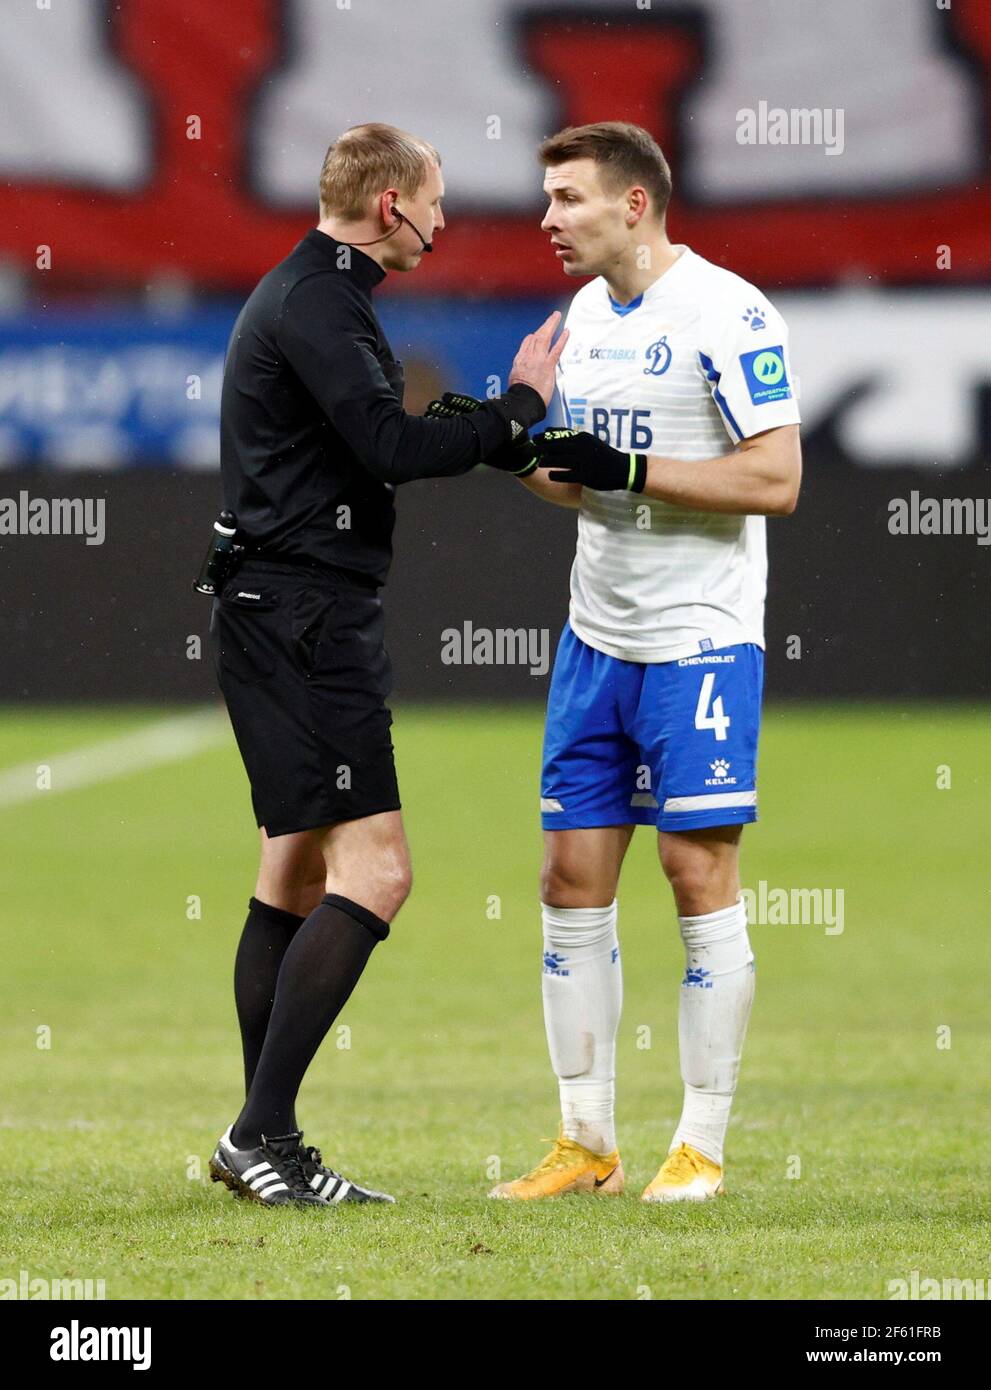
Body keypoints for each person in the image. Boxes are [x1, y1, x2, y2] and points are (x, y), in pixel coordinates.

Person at [206, 122, 566, 1207]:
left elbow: (373, 440)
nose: (445, 221)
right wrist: (515, 411)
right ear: (389, 203)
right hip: (307, 621)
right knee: (379, 874)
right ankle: (260, 1131)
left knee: (294, 874)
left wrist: (487, 428)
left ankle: (260, 1138)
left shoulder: (314, 292)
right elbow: (390, 449)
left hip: (279, 612)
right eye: (436, 199)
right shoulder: (319, 299)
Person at [489, 121, 803, 1201]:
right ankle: (587, 1141)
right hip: (595, 637)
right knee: (568, 877)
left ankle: (701, 1144)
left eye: (567, 198)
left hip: (699, 643)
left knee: (693, 872)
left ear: (633, 204)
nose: (547, 219)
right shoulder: (581, 316)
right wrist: (511, 450)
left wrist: (629, 463)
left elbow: (774, 480)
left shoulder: (728, 310)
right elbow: (586, 483)